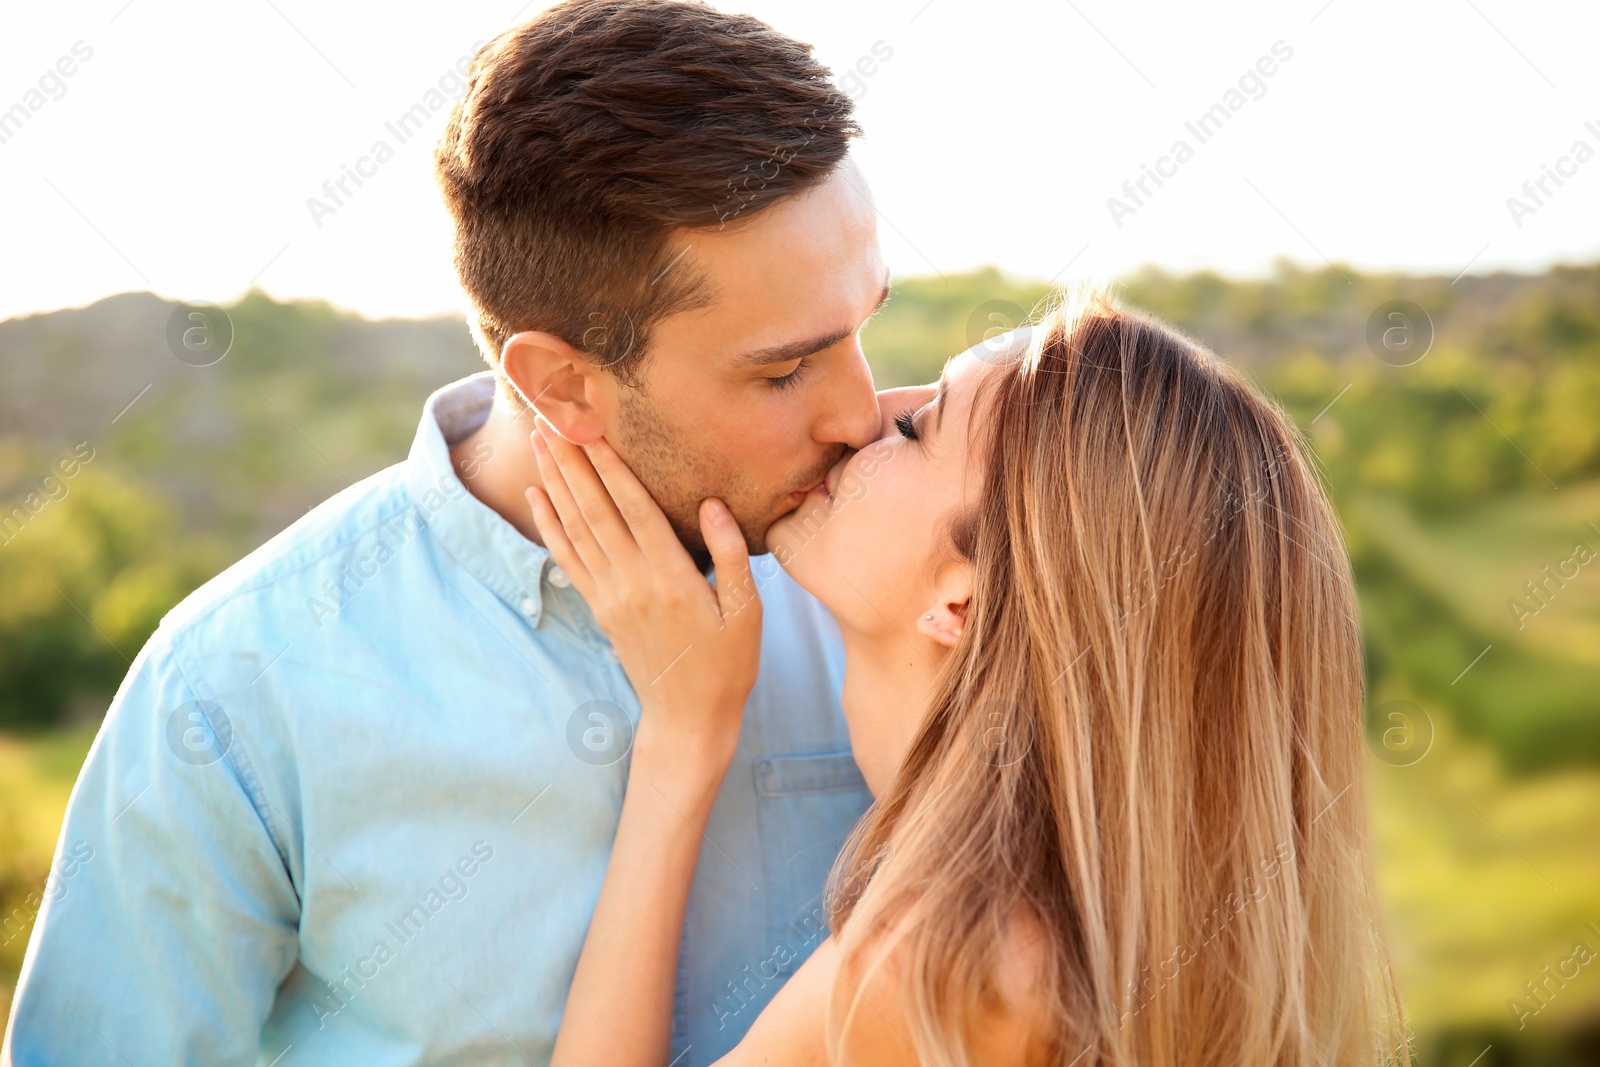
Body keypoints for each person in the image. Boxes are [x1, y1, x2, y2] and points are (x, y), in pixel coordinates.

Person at [3, 3, 885, 1063]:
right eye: (784, 370)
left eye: (865, 324)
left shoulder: (900, 572)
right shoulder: (237, 684)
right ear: (561, 384)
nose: (861, 415)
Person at [527, 293, 1408, 1065]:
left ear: (963, 600)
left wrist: (684, 733)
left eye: (919, 430)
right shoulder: (1104, 938)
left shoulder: (946, 973)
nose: (867, 417)